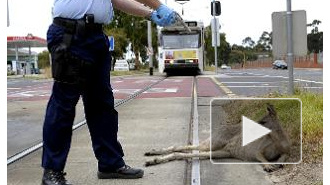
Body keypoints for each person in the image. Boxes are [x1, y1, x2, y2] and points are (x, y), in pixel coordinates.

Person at [41, 0, 177, 185]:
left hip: (95, 37)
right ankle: (52, 171)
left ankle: (110, 163)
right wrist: (157, 5)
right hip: (70, 35)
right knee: (63, 104)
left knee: (102, 105)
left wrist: (150, 14)